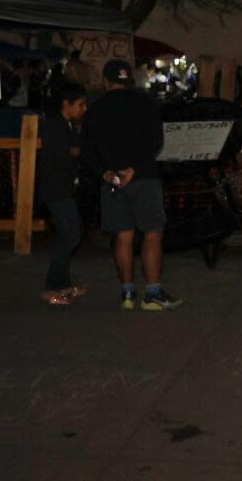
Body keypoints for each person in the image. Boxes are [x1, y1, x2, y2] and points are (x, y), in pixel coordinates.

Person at [82, 59, 183, 311]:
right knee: (151, 233)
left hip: (113, 179)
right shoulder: (146, 102)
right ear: (131, 80)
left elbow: (87, 149)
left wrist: (104, 173)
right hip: (144, 177)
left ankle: (127, 294)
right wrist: (134, 168)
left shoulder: (96, 108)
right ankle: (152, 294)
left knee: (123, 235)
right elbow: (155, 141)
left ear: (106, 81)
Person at [38, 83, 89, 305]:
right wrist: (82, 150)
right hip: (55, 188)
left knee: (70, 235)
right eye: (80, 104)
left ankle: (64, 284)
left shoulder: (66, 125)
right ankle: (51, 287)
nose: (84, 109)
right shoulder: (52, 125)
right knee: (69, 236)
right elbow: (63, 154)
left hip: (65, 188)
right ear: (66, 104)